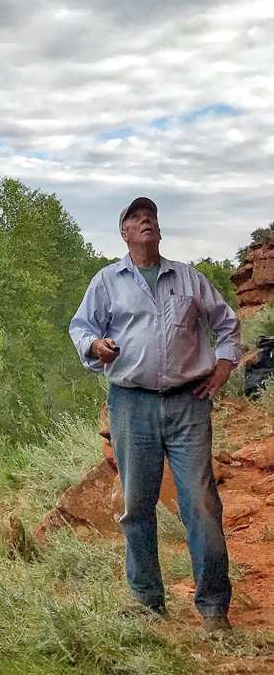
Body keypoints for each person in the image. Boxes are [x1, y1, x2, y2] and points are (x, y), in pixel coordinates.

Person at [69, 197, 242, 633]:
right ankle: (148, 600)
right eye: (135, 218)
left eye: (151, 217)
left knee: (201, 503)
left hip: (188, 404)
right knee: (137, 506)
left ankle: (214, 607)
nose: (145, 221)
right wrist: (95, 346)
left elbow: (226, 323)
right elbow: (81, 327)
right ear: (124, 233)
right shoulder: (107, 281)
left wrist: (222, 367)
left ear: (159, 231)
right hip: (132, 404)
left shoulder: (188, 278)